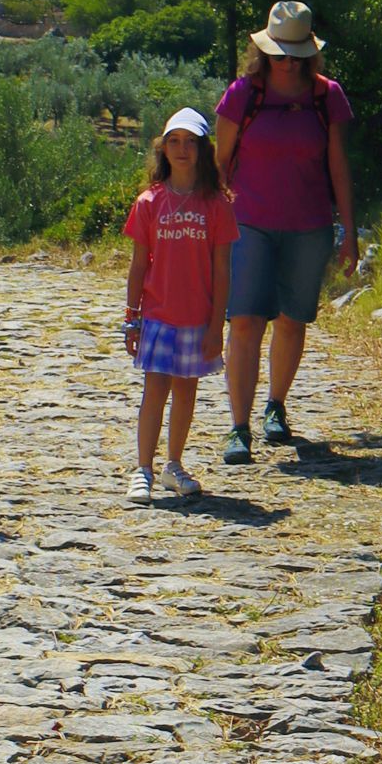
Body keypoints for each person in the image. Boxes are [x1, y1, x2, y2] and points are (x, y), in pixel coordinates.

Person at [213, 1, 356, 464]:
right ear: (264, 52)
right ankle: (239, 426)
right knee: (245, 320)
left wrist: (349, 231)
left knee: (293, 320)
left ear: (309, 53)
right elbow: (220, 164)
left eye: (295, 53)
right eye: (279, 53)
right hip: (247, 222)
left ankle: (276, 406)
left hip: (309, 224)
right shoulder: (243, 95)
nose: (287, 62)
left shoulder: (325, 95)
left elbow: (338, 165)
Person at [121, 107, 237, 502]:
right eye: (174, 141)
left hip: (197, 318)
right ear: (163, 148)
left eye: (190, 142)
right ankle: (143, 469)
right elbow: (139, 265)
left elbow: (222, 271)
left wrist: (216, 325)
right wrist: (131, 317)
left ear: (203, 150)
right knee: (155, 389)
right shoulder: (149, 202)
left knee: (186, 391)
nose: (182, 149)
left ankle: (173, 465)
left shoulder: (217, 205)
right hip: (157, 315)